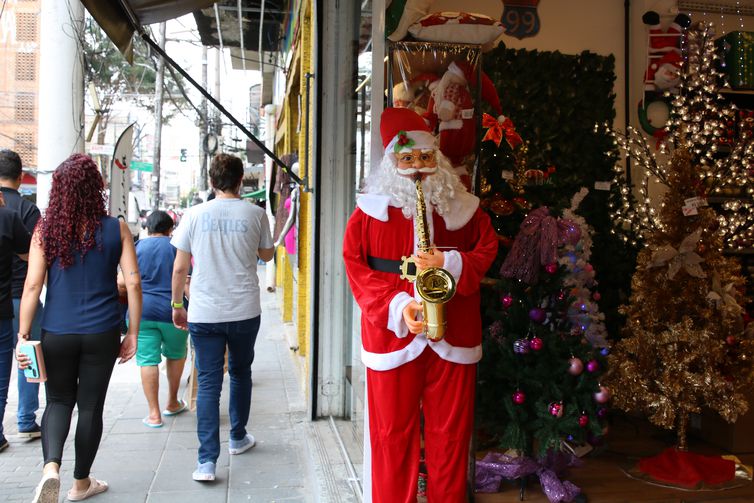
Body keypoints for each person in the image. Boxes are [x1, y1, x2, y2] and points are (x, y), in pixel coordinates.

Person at [342, 107, 498, 502]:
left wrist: (450, 262)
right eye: (407, 159)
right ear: (391, 161)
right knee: (391, 434)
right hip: (393, 336)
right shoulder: (367, 211)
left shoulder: (464, 206)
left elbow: (487, 248)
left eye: (425, 158)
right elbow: (356, 266)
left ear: (438, 159)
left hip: (454, 330)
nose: (416, 169)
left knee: (451, 434)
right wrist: (395, 306)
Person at [16, 154, 142, 503]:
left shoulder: (46, 230)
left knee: (57, 401)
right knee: (90, 407)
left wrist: (23, 334)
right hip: (102, 332)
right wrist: (132, 332)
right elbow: (133, 284)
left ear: (58, 189)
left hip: (57, 330)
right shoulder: (116, 229)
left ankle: (50, 469)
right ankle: (81, 483)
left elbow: (31, 286)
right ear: (95, 189)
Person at [170, 153, 274, 482]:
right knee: (241, 373)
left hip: (204, 311)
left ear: (212, 181)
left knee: (209, 383)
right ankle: (238, 437)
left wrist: (176, 305)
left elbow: (179, 267)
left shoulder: (194, 214)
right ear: (241, 180)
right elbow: (267, 254)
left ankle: (206, 462)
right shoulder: (255, 214)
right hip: (244, 310)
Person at [118, 210, 188, 428]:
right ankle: (172, 402)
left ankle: (154, 414)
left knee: (148, 360)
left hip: (142, 313)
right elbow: (186, 280)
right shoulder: (178, 247)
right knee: (176, 355)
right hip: (173, 312)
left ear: (148, 228)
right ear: (170, 229)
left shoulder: (137, 247)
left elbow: (122, 282)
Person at [0, 149, 42, 439]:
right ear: (19, 176)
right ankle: (26, 419)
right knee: (29, 354)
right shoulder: (29, 210)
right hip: (24, 295)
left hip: (5, 300)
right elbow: (37, 257)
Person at [0, 190, 31, 452]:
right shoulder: (10, 216)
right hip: (9, 303)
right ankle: (20, 423)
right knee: (4, 375)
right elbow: (30, 255)